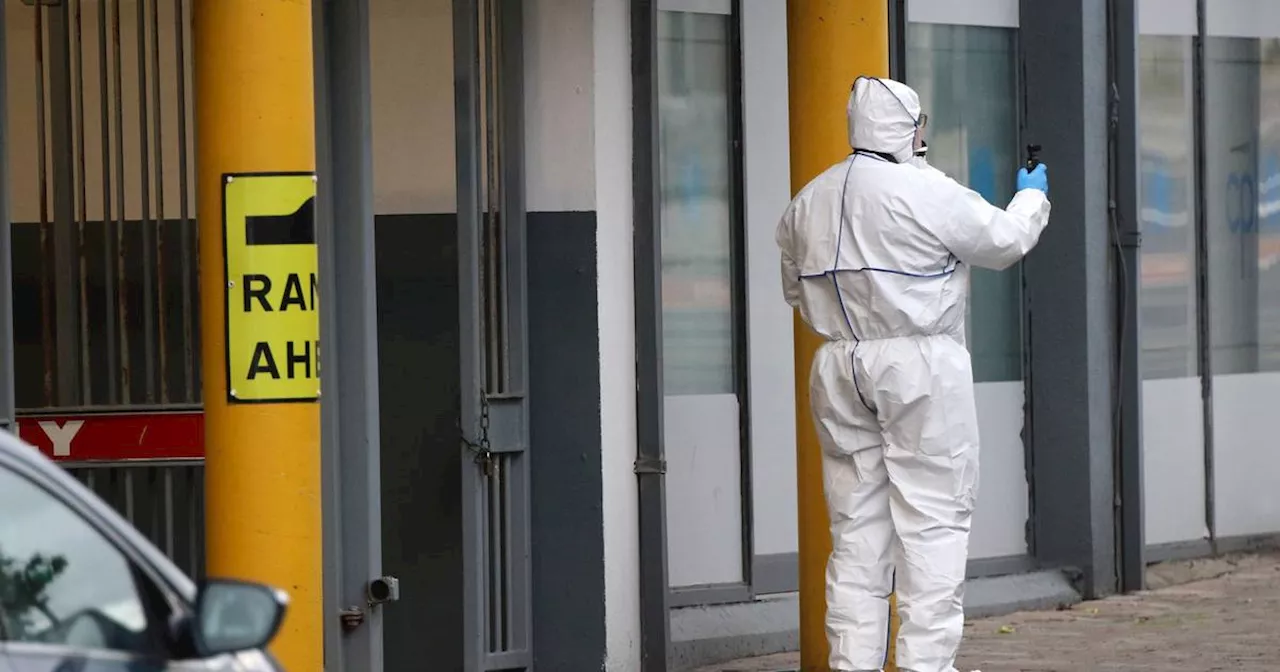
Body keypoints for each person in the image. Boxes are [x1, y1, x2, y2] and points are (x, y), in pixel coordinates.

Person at [775, 76, 1051, 672]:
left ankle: (853, 664)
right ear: (909, 128)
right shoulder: (925, 191)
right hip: (920, 364)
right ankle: (927, 666)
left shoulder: (809, 200)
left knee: (856, 532)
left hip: (839, 365)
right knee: (933, 521)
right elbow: (1004, 241)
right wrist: (1031, 197)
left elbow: (794, 289)